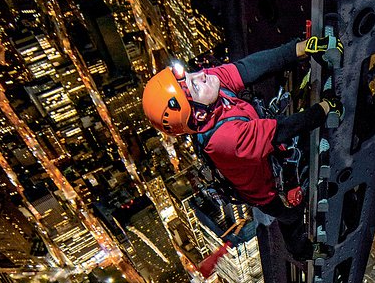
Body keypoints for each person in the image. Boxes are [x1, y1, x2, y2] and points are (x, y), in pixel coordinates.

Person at [141, 37, 340, 260]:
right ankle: (303, 252)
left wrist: (300, 48)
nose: (201, 74)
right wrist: (325, 109)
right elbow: (283, 130)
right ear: (198, 114)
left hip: (263, 149)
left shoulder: (209, 92)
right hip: (266, 190)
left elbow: (249, 68)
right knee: (290, 216)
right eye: (194, 84)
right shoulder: (225, 139)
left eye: (189, 75)